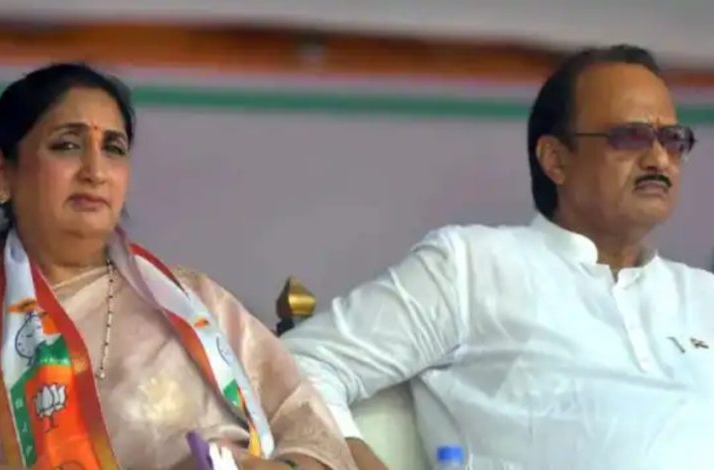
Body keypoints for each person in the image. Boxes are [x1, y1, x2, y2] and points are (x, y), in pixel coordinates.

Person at [283, 44, 714, 469]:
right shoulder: (472, 266)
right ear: (556, 160)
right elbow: (300, 362)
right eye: (631, 137)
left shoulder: (703, 295)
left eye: (673, 140)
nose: (659, 158)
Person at [0, 63, 356, 470]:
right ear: (2, 173)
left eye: (113, 149)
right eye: (67, 145)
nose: (95, 171)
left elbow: (313, 432)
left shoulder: (195, 299)